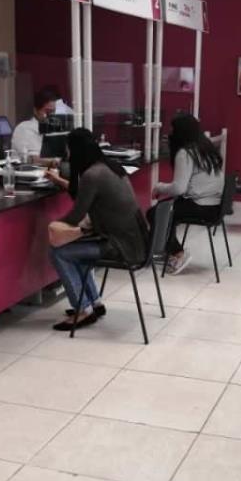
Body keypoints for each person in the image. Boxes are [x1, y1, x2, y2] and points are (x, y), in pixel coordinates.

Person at [48, 129, 148, 331]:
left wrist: (55, 225)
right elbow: (85, 193)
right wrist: (59, 181)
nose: (67, 154)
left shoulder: (92, 175)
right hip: (135, 240)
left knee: (59, 252)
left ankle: (83, 310)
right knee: (76, 248)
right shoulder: (110, 167)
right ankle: (93, 302)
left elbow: (75, 216)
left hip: (120, 246)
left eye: (68, 149)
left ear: (76, 150)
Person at [149, 113, 224, 275]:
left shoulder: (185, 153)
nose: (170, 133)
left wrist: (159, 187)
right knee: (166, 210)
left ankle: (177, 253)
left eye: (173, 130)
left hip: (200, 205)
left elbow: (179, 189)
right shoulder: (206, 147)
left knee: (156, 213)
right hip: (215, 206)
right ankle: (167, 250)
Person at [11, 86, 60, 165]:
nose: (52, 116)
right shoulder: (24, 128)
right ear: (35, 110)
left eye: (55, 112)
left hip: (51, 171)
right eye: (48, 111)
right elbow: (31, 159)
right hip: (29, 172)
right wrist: (54, 162)